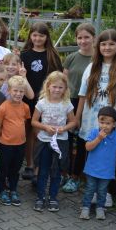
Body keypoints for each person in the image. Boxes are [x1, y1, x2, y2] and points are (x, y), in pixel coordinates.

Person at [75, 29, 116, 206]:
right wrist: (77, 117)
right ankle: (91, 190)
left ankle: (105, 191)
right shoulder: (92, 66)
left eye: (111, 44)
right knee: (92, 154)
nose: (107, 47)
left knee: (108, 156)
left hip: (112, 123)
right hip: (91, 120)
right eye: (103, 44)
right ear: (98, 46)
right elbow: (83, 95)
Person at [20, 22, 63, 181]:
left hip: (46, 101)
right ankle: (30, 164)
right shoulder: (24, 55)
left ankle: (39, 167)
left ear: (47, 37)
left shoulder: (52, 55)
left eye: (41, 35)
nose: (38, 38)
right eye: (35, 35)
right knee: (28, 133)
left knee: (40, 133)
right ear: (30, 36)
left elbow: (58, 78)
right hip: (27, 100)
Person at [31, 71, 77, 212]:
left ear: (65, 89)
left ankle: (53, 198)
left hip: (60, 142)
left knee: (56, 171)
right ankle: (40, 197)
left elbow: (73, 122)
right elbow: (33, 121)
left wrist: (64, 128)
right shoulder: (41, 103)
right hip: (44, 141)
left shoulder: (67, 104)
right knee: (43, 170)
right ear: (48, 86)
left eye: (60, 87)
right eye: (54, 86)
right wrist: (44, 127)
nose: (57, 90)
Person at [80, 106, 116, 220]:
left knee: (102, 191)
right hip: (92, 169)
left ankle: (100, 208)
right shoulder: (94, 132)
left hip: (107, 171)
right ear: (98, 121)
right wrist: (98, 138)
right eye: (102, 122)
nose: (104, 126)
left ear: (114, 124)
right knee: (90, 189)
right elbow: (88, 147)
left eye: (108, 123)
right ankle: (85, 207)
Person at [62, 23, 96, 193]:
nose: (83, 41)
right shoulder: (71, 58)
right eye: (80, 38)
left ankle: (77, 176)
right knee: (66, 138)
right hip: (70, 102)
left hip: (89, 103)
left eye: (86, 37)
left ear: (93, 38)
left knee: (83, 139)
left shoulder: (98, 59)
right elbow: (64, 82)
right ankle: (64, 172)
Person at [0, 75, 31, 206]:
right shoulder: (3, 107)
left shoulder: (25, 107)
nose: (18, 94)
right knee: (3, 169)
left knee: (15, 169)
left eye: (21, 91)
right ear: (9, 90)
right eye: (15, 90)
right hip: (5, 144)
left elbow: (25, 123)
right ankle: (1, 190)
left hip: (20, 144)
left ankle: (13, 190)